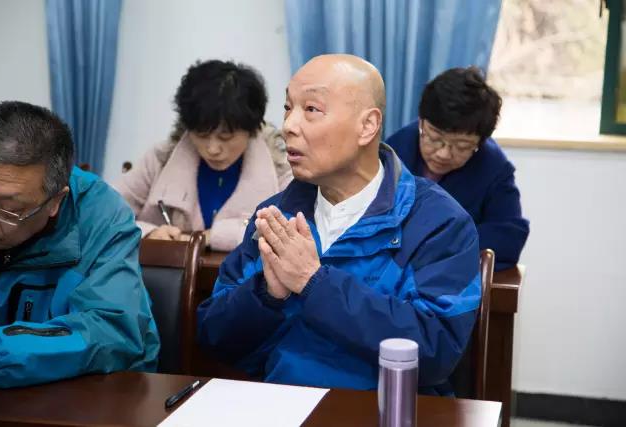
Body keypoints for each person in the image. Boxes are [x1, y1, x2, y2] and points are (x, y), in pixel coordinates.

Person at [196, 55, 481, 395]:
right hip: (282, 405)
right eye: (288, 108)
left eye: (311, 109)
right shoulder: (276, 215)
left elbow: (436, 351)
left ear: (367, 126)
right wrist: (266, 295)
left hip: (386, 411)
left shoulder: (438, 222)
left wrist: (314, 283)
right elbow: (214, 337)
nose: (289, 126)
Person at [0, 101, 160, 388]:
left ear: (56, 201)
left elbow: (113, 330)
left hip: (89, 392)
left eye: (9, 208)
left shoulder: (101, 217)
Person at [115, 59, 293, 251]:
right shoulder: (160, 159)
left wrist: (212, 237)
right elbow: (105, 214)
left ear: (252, 130)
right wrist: (149, 233)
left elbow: (294, 231)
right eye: (201, 135)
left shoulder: (281, 167)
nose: (212, 149)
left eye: (225, 137)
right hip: (166, 270)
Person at [386, 67, 529, 270]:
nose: (444, 154)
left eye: (461, 146)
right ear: (421, 122)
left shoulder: (495, 168)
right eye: (434, 138)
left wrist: (438, 244)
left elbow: (508, 237)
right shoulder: (394, 151)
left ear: (480, 142)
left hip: (450, 278)